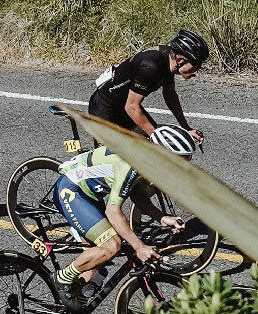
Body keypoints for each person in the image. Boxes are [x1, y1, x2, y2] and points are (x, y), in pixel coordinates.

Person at [50, 126, 198, 299]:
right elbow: (113, 211)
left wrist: (161, 217)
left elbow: (138, 194)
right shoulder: (131, 163)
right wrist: (139, 247)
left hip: (90, 196)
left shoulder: (148, 160)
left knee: (100, 257)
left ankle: (75, 305)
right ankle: (61, 278)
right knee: (112, 245)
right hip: (71, 190)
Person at [86, 30, 210, 145]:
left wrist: (186, 128)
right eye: (196, 65)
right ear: (179, 60)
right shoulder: (151, 68)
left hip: (124, 105)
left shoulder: (168, 61)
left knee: (149, 147)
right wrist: (157, 138)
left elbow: (170, 95)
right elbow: (131, 107)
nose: (197, 70)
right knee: (113, 156)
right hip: (104, 107)